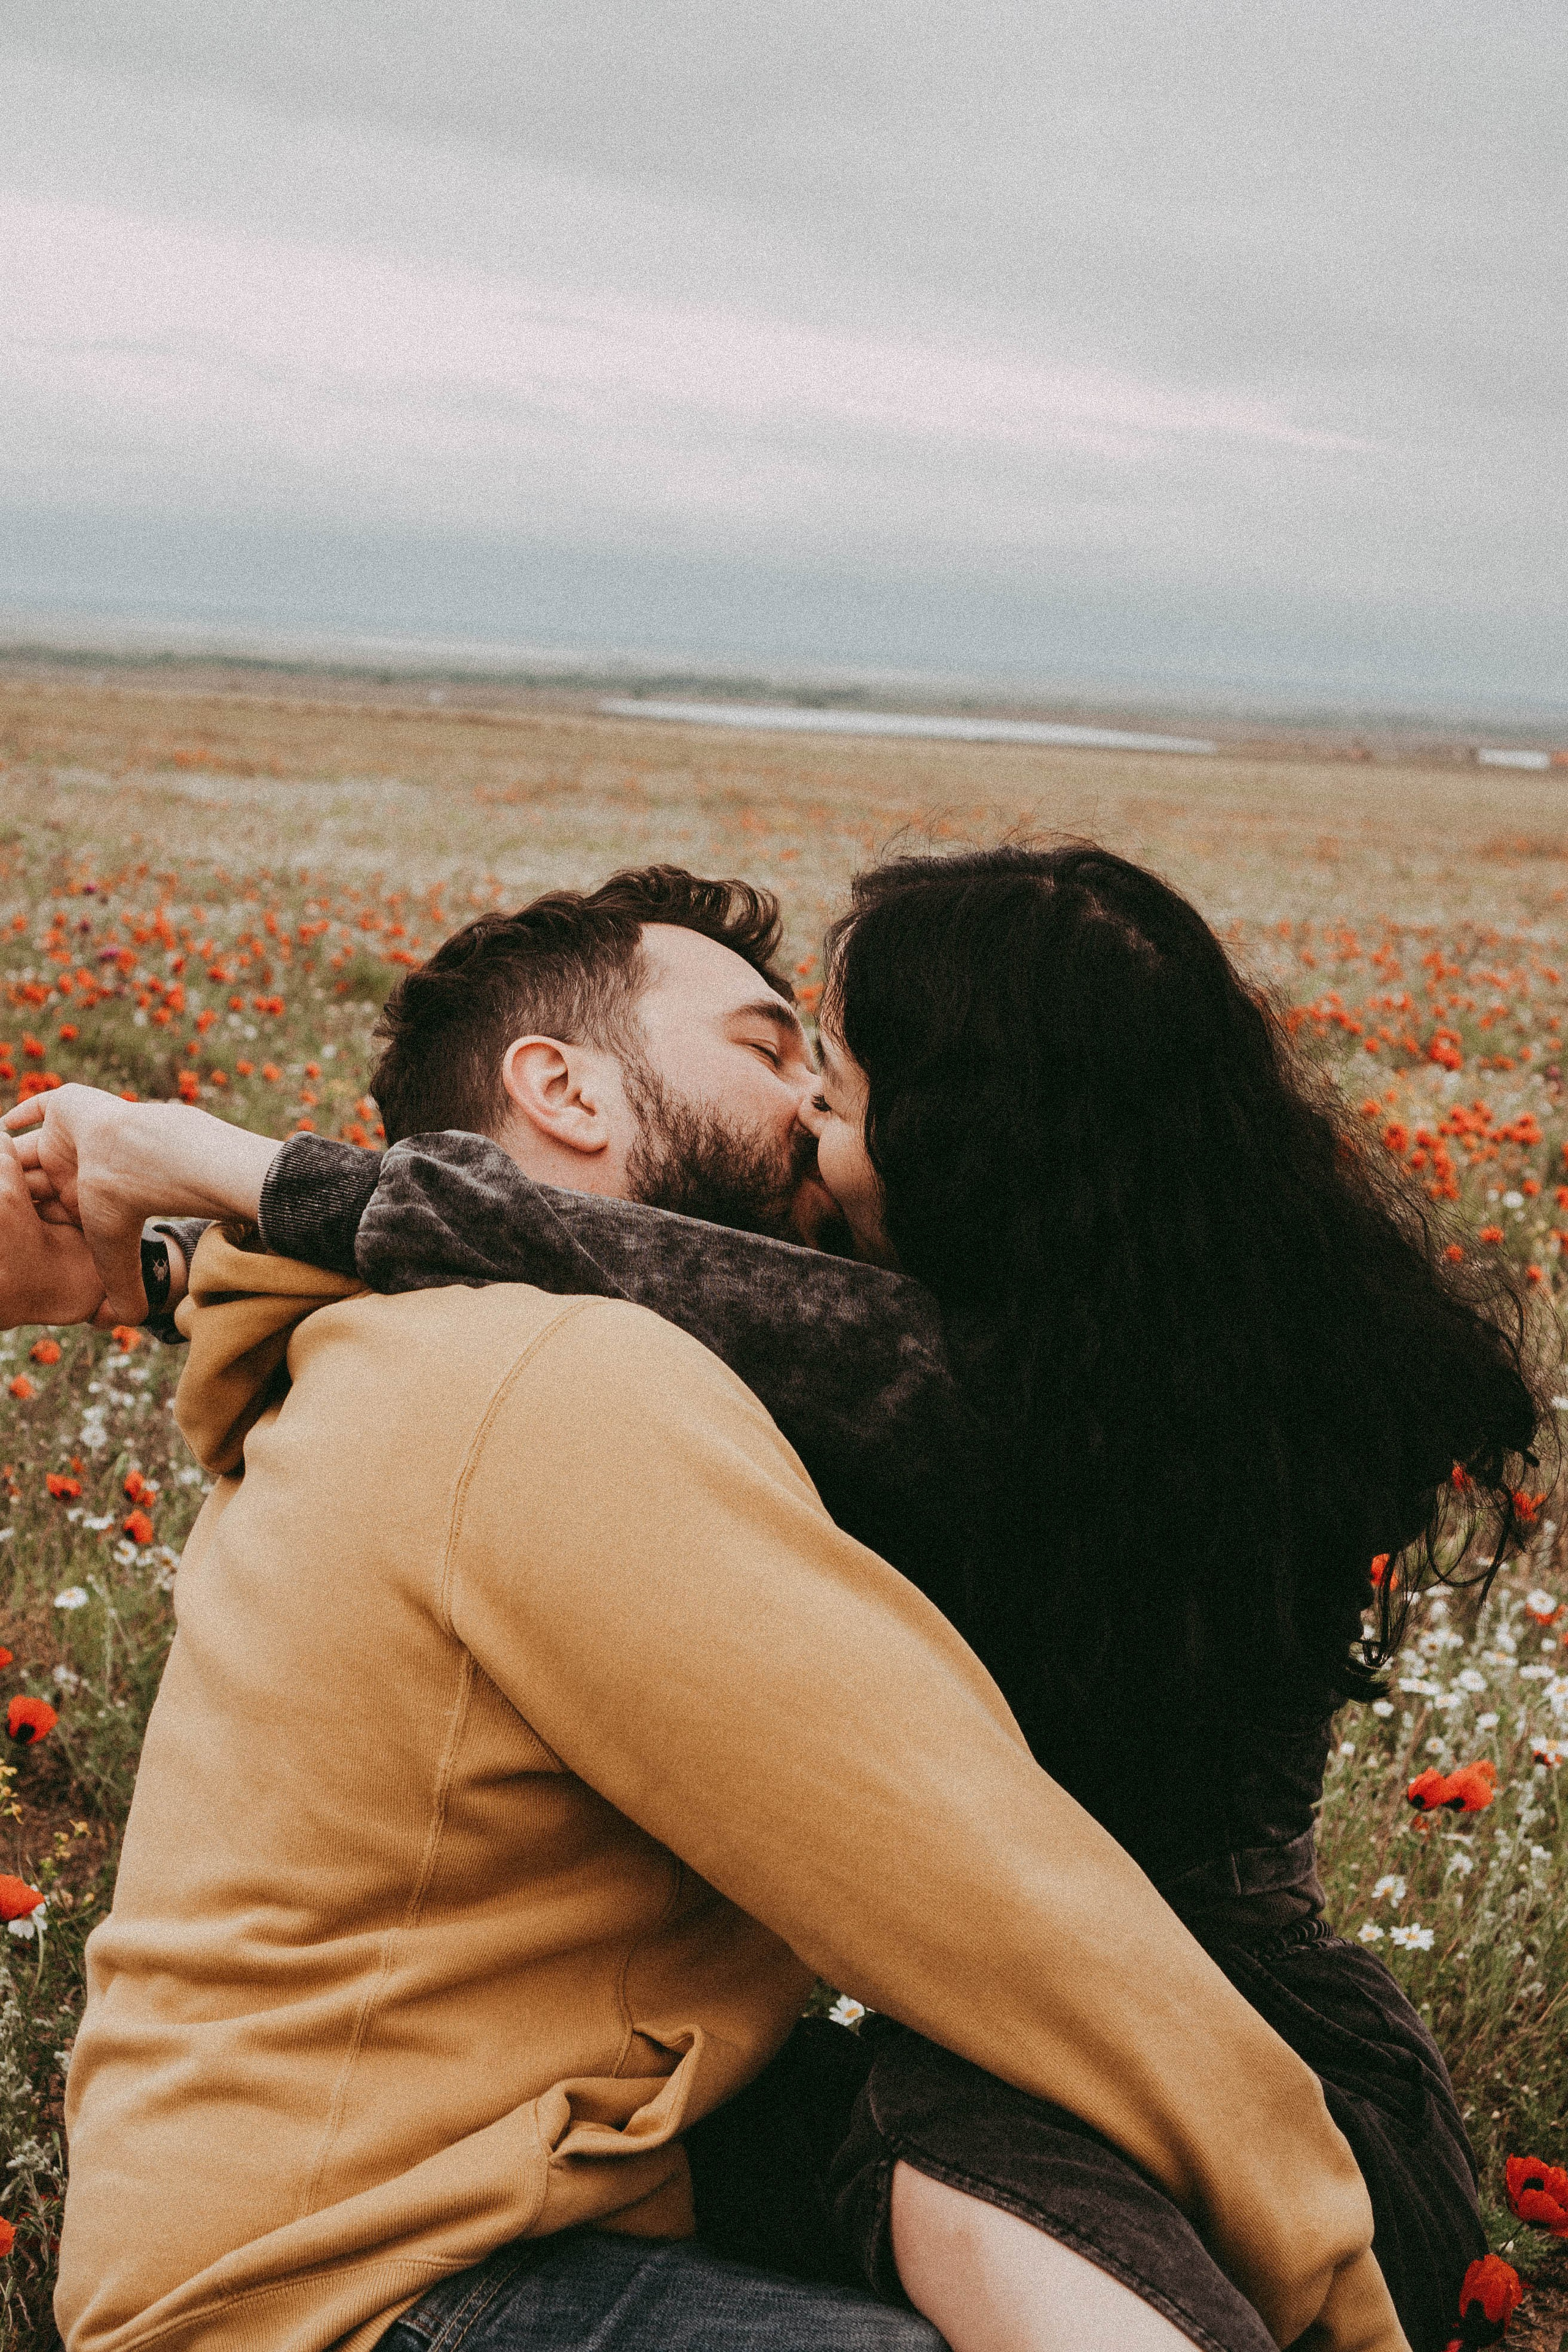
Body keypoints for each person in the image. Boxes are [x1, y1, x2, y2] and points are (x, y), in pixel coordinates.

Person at [8, 864, 1431, 2352]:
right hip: (362, 2287)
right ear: (560, 1091)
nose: (816, 1112)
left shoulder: (467, 1352)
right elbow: (974, 1882)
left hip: (450, 2202)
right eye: (770, 1053)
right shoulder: (553, 1382)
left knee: (931, 2146)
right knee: (953, 2152)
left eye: (839, 1079)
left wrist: (188, 1234)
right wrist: (1332, 2284)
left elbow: (710, 1295)